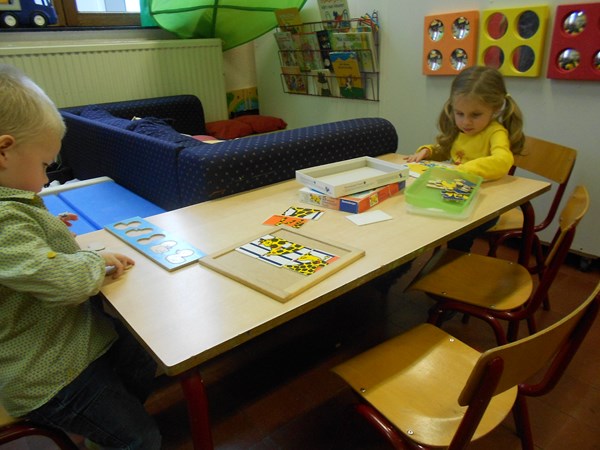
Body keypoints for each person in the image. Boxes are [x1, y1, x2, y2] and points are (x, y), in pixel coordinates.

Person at [0, 64, 162, 449]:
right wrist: (97, 262)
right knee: (142, 439)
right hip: (46, 372)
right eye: (44, 166)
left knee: (142, 356)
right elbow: (59, 280)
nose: (46, 180)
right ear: (3, 151)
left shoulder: (12, 206)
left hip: (72, 339)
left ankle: (104, 430)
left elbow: (22, 250)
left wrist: (50, 227)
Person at [406, 65, 525, 252]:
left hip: (485, 204)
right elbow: (448, 151)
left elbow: (503, 160)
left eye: (475, 115)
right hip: (456, 193)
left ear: (495, 109)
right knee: (421, 219)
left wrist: (465, 170)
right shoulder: (461, 129)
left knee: (457, 235)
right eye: (459, 113)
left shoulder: (495, 132)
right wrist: (428, 152)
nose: (466, 122)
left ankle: (454, 261)